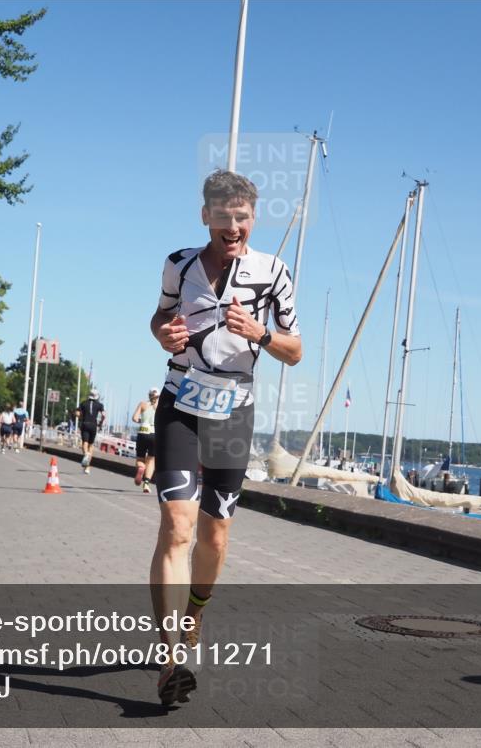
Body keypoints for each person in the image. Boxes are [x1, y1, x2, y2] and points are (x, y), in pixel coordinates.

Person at [148, 169, 302, 704]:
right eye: (223, 216)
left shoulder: (274, 273)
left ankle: (195, 614)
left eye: (242, 217)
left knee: (213, 536)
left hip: (233, 413)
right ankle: (169, 661)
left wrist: (259, 332)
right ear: (206, 216)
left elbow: (295, 350)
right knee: (176, 527)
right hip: (180, 403)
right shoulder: (179, 263)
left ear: (252, 219)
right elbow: (160, 318)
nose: (232, 226)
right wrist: (163, 331)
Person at [131, 388, 160, 494]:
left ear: (149, 395)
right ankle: (146, 483)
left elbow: (134, 418)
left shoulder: (143, 404)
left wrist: (142, 421)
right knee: (151, 460)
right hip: (154, 434)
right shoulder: (160, 406)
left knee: (140, 459)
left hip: (142, 433)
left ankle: (141, 467)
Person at [75, 389, 105, 474]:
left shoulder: (83, 403)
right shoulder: (99, 405)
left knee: (85, 443)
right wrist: (101, 423)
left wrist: (81, 417)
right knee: (91, 445)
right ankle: (88, 468)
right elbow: (104, 415)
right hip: (93, 425)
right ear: (96, 396)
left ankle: (86, 455)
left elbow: (77, 413)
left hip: (85, 423)